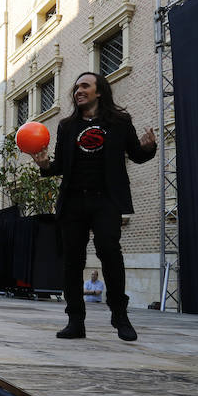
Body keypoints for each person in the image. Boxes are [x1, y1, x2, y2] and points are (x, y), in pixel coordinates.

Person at [30, 72, 157, 341]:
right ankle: (75, 321)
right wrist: (45, 166)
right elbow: (60, 165)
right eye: (76, 87)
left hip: (106, 199)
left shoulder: (120, 122)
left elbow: (136, 154)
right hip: (74, 200)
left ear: (99, 92)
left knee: (109, 251)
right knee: (72, 261)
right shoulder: (67, 126)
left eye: (85, 86)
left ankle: (120, 316)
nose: (78, 90)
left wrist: (148, 148)